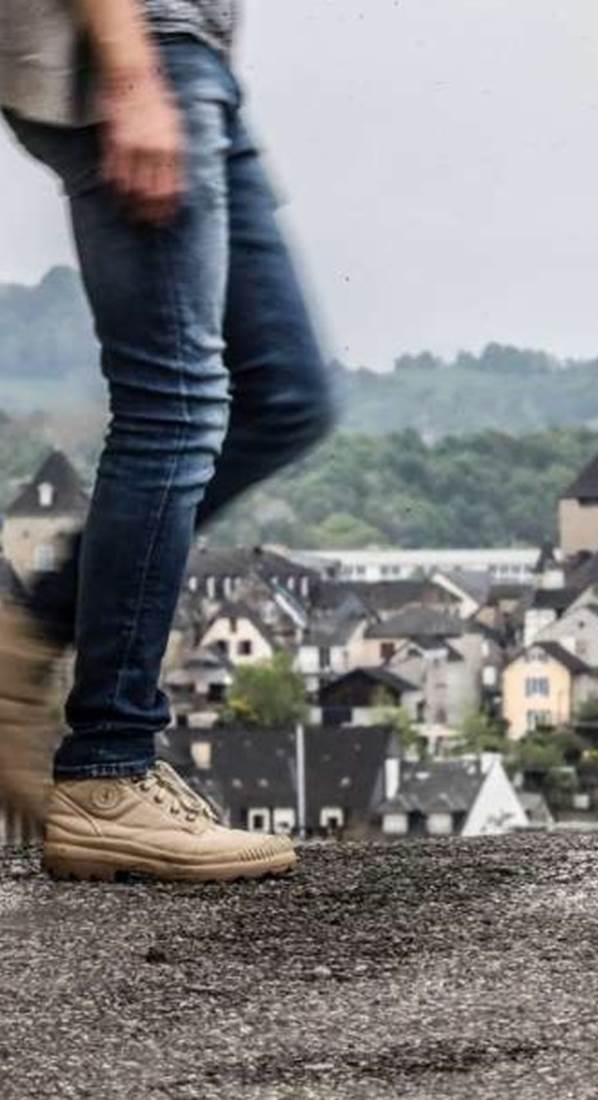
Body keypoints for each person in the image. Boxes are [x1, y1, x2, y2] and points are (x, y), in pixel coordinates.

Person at [0, 0, 335, 880]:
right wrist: (130, 69)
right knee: (174, 404)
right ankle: (109, 772)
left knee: (288, 397)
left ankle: (25, 637)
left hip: (190, 53)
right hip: (141, 43)